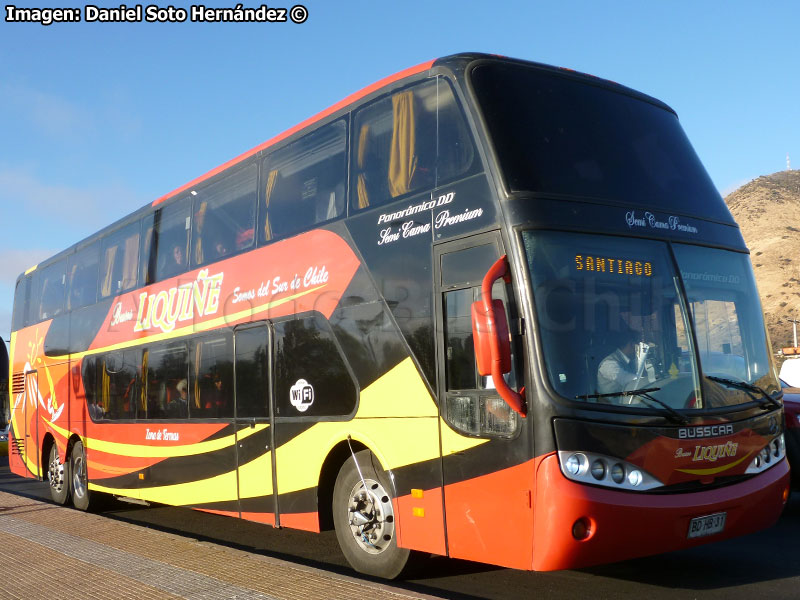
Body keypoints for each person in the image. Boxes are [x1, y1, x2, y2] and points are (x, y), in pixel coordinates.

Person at [597, 329, 641, 395]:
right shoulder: (608, 364)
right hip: (610, 404)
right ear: (631, 344)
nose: (640, 348)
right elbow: (629, 380)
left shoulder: (629, 360)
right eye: (638, 344)